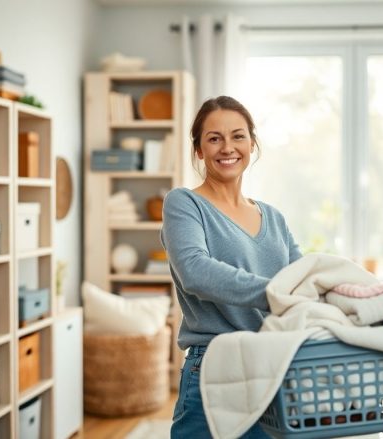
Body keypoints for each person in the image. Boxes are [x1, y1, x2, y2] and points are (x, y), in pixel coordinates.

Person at [162, 96, 302, 438]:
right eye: (214, 138)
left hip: (274, 367)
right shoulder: (184, 203)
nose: (228, 147)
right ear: (198, 150)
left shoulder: (274, 217)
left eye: (238, 136)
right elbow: (195, 271)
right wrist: (275, 293)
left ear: (251, 144)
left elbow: (302, 280)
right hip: (215, 369)